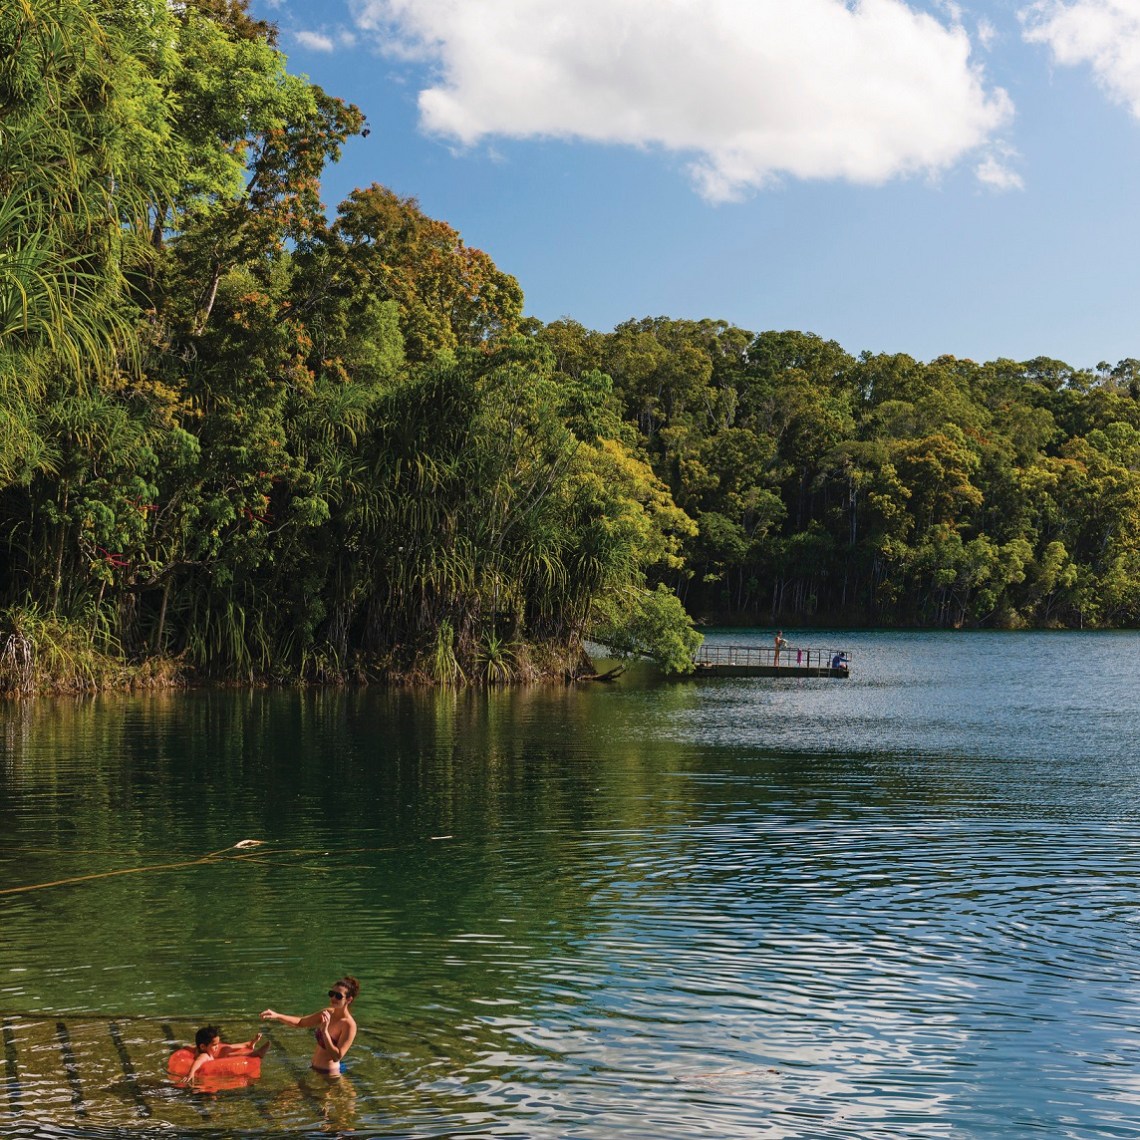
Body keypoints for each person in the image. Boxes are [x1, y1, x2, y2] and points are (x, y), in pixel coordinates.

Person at [261, 976, 359, 1076]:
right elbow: (301, 1022)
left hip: (330, 1074)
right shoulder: (328, 1013)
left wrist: (325, 1032)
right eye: (331, 994)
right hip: (313, 1068)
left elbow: (337, 1057)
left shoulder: (349, 1025)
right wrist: (277, 1015)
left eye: (338, 996)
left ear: (349, 999)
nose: (333, 998)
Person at [182, 1024, 268, 1085]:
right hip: (208, 1080)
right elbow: (198, 1062)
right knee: (230, 1055)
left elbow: (191, 1049)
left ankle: (250, 1044)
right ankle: (253, 1053)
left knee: (226, 1050)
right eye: (214, 1045)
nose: (217, 1046)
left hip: (213, 1066)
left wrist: (185, 1047)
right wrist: (191, 1073)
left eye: (217, 1044)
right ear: (203, 1047)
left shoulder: (204, 1051)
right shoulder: (204, 1056)